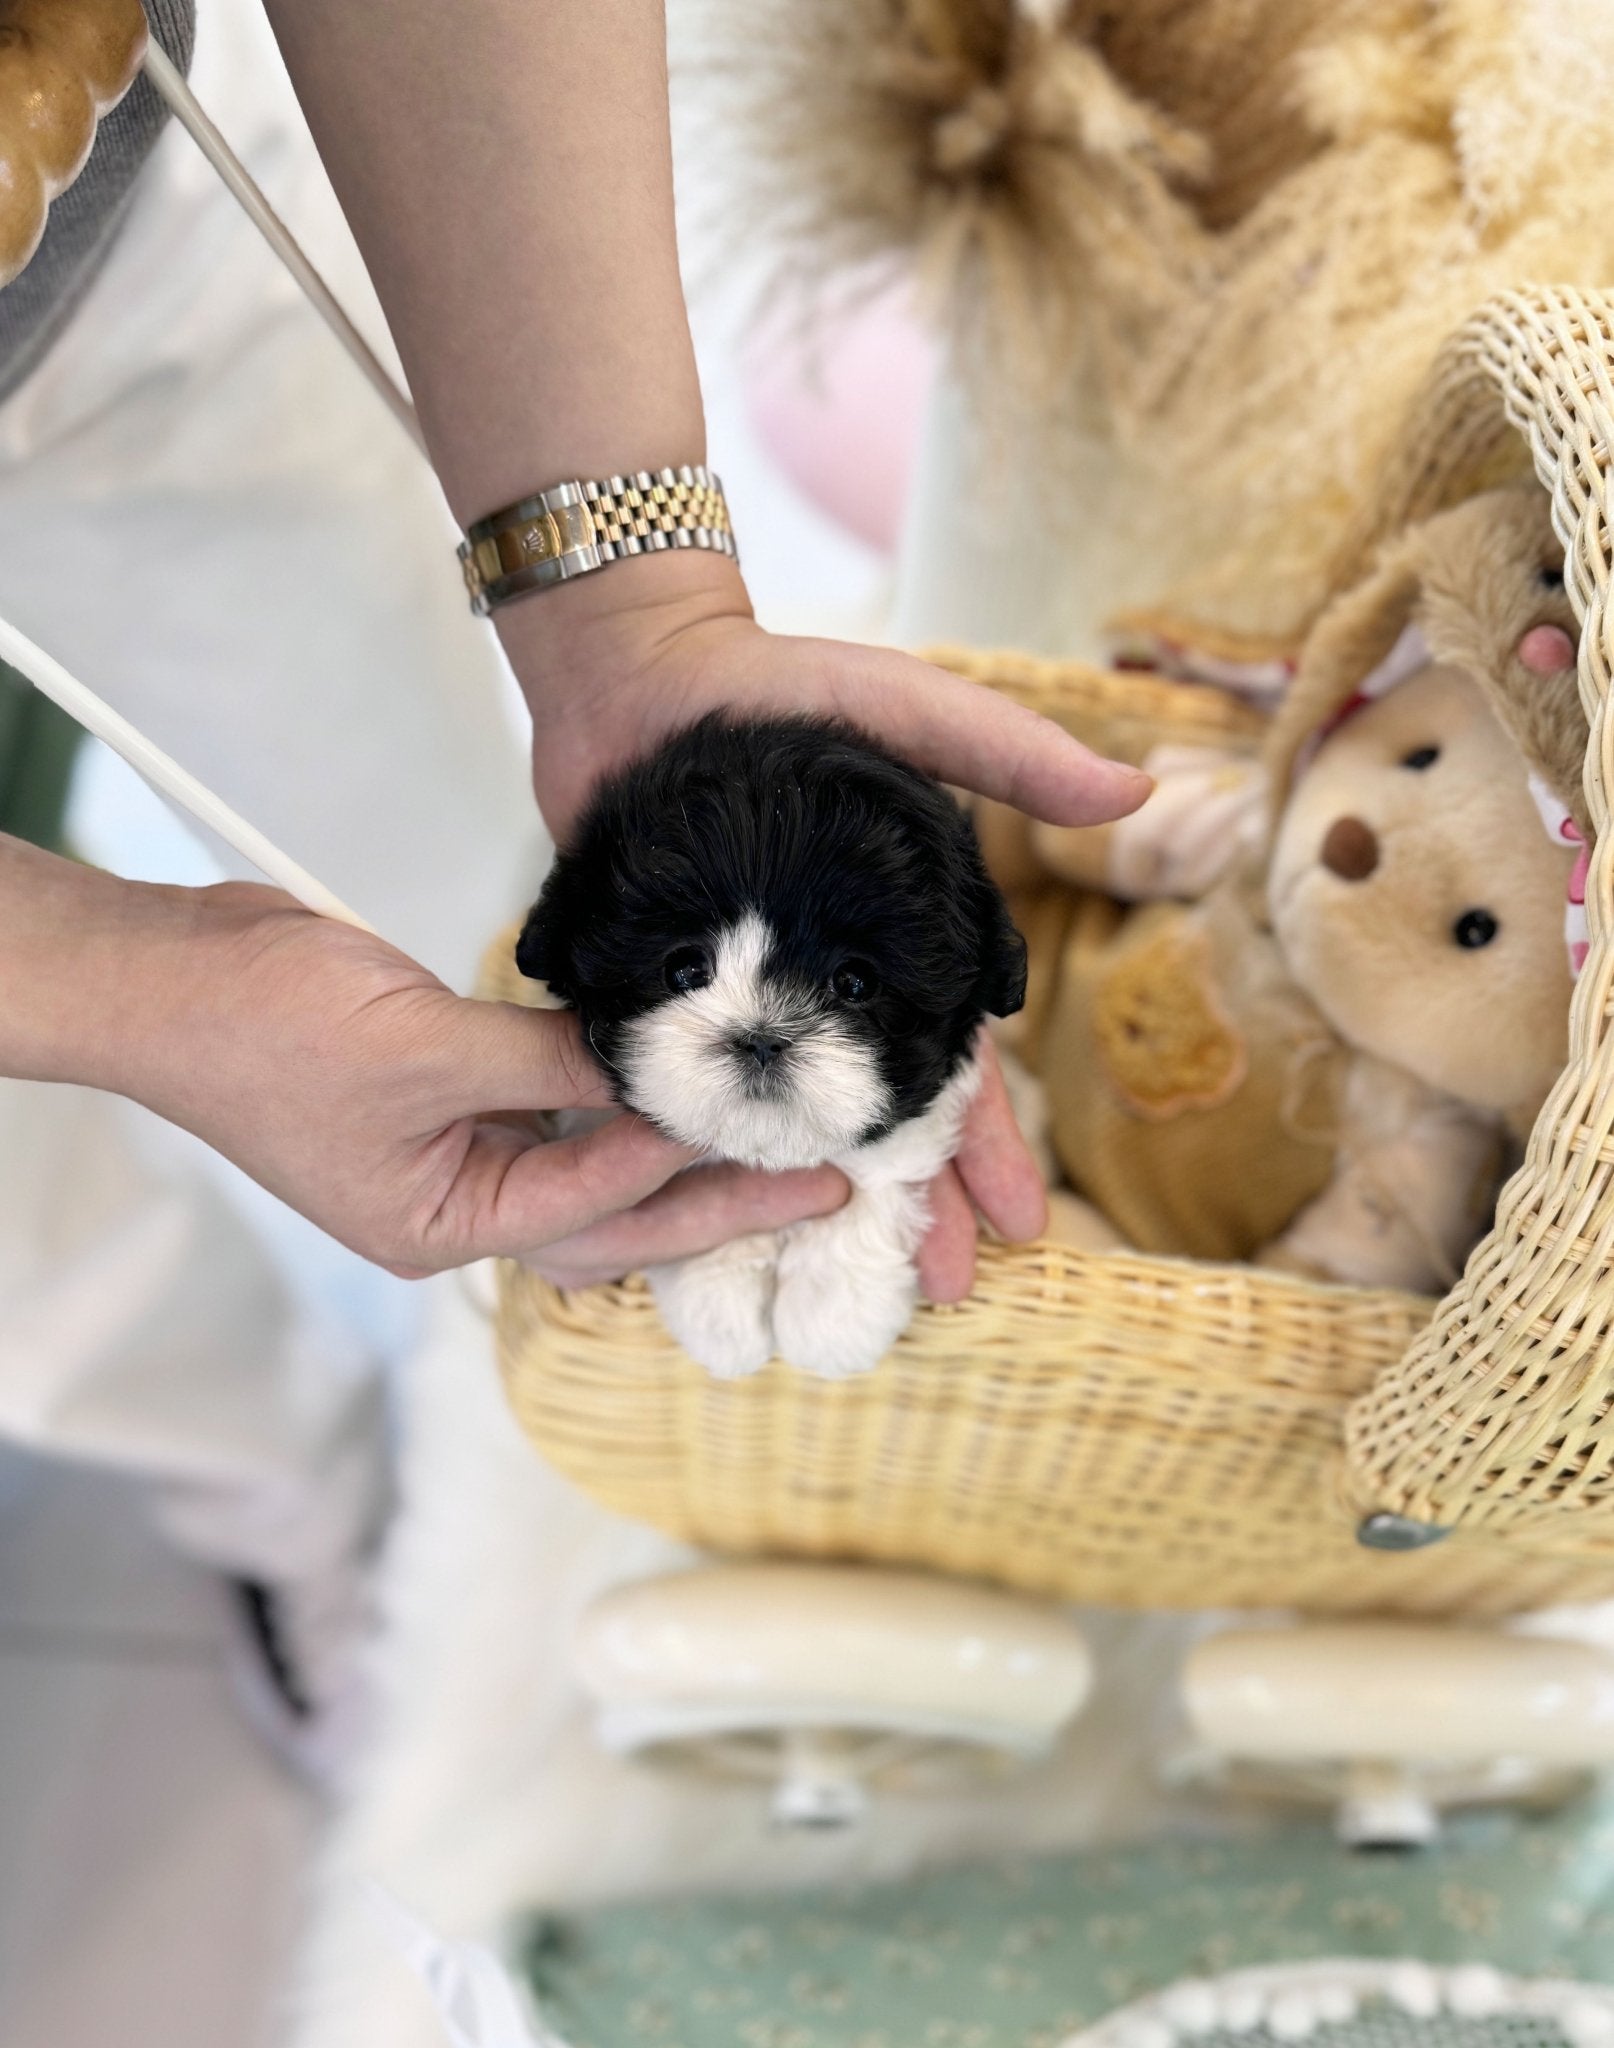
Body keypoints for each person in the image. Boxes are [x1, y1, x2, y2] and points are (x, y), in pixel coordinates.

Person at [0, 0, 1146, 1774]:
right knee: (46, 1261)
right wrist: (121, 995)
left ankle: (441, 1425)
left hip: (116, 189)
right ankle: (284, 1501)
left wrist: (632, 609)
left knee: (412, 828)